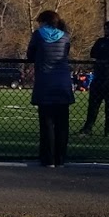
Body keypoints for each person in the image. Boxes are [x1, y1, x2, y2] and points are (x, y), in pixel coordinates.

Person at [27, 10, 74, 168]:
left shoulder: (38, 35)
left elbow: (30, 55)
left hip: (45, 82)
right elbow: (65, 54)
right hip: (63, 83)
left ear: (44, 21)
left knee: (46, 124)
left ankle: (48, 158)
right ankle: (61, 158)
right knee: (62, 124)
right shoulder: (65, 36)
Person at [79, 20, 109, 136]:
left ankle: (108, 129)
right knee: (93, 104)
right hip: (99, 77)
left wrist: (103, 53)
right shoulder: (101, 41)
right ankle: (88, 128)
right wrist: (107, 55)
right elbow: (93, 53)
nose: (105, 31)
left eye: (107, 28)